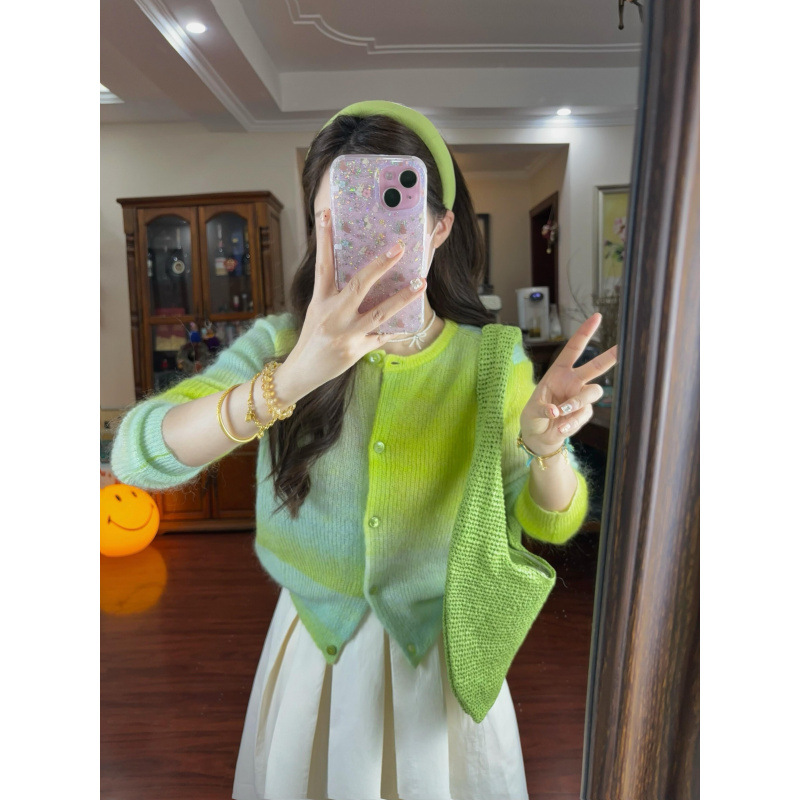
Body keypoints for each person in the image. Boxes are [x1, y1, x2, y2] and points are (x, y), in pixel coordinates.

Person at [110, 100, 618, 800]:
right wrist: (291, 378)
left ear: (439, 227)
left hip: (440, 657)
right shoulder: (278, 345)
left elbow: (550, 522)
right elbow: (136, 456)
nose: (368, 243)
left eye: (393, 218)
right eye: (338, 220)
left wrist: (548, 447)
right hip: (314, 651)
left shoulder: (490, 360)